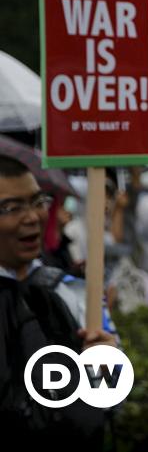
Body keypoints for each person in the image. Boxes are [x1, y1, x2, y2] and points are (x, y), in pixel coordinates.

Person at [0, 154, 117, 449]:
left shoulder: (73, 291)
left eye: (38, 201)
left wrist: (104, 365)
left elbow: (109, 398)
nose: (32, 217)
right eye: (11, 208)